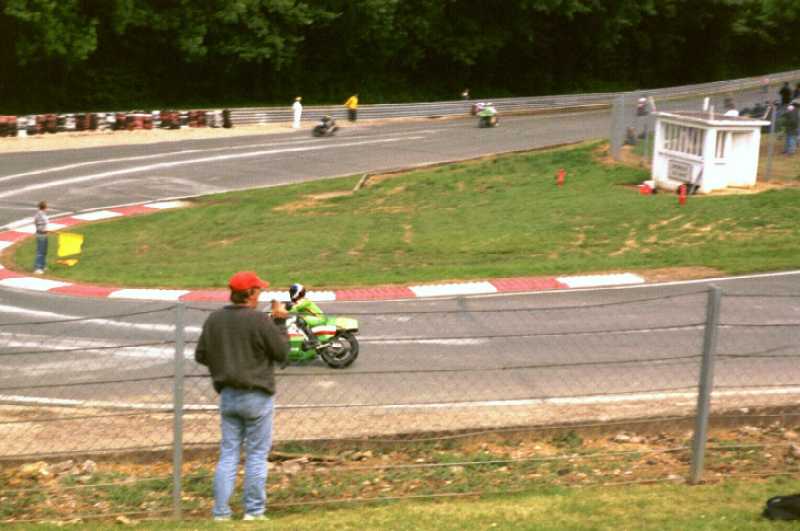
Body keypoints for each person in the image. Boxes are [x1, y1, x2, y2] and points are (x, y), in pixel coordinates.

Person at [195, 271, 289, 522]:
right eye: (259, 291)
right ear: (250, 293)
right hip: (257, 395)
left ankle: (221, 513)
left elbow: (201, 355)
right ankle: (254, 511)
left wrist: (224, 364)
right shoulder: (259, 320)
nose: (260, 295)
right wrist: (280, 323)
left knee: (228, 454)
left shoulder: (214, 319)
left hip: (228, 395)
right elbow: (282, 353)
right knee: (256, 455)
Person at [287, 283, 323, 349]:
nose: (291, 293)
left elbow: (294, 308)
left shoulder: (304, 301)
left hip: (319, 318)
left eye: (292, 292)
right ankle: (307, 339)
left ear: (297, 292)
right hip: (315, 318)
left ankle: (314, 341)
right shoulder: (300, 301)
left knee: (300, 320)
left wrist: (282, 310)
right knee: (297, 321)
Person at [33, 201, 49, 274]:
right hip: (41, 234)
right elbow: (38, 224)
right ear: (45, 207)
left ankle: (43, 266)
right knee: (40, 252)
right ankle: (38, 268)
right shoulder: (40, 215)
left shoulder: (42, 214)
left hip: (44, 234)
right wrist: (43, 229)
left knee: (44, 251)